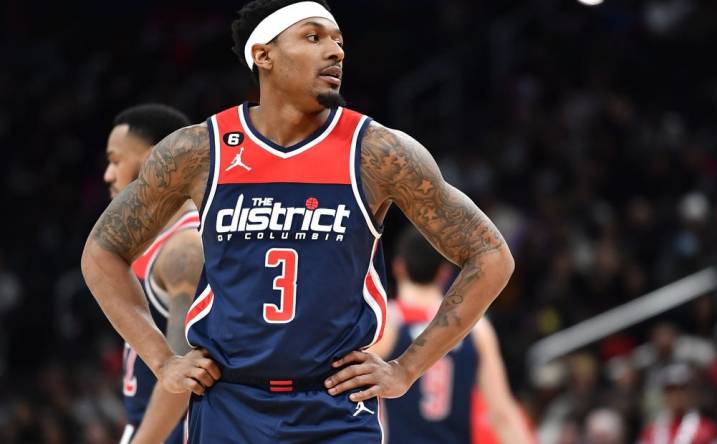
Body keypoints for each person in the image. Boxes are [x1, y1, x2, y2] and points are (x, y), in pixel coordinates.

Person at [81, 1, 514, 442]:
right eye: (313, 37)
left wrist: (407, 368)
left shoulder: (377, 152)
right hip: (229, 406)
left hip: (334, 411)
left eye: (339, 41)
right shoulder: (199, 151)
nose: (336, 52)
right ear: (264, 56)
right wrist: (162, 359)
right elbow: (102, 252)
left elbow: (490, 255)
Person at [369, 228, 531, 443]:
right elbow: (501, 413)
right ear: (444, 273)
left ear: (398, 267)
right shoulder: (476, 327)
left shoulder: (386, 323)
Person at [101, 104, 202, 444]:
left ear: (152, 161)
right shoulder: (150, 242)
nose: (108, 175)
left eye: (115, 161)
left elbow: (184, 372)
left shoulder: (185, 248)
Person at [638, 362, 717, 444]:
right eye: (671, 391)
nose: (676, 396)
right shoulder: (650, 433)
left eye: (682, 389)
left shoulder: (707, 431)